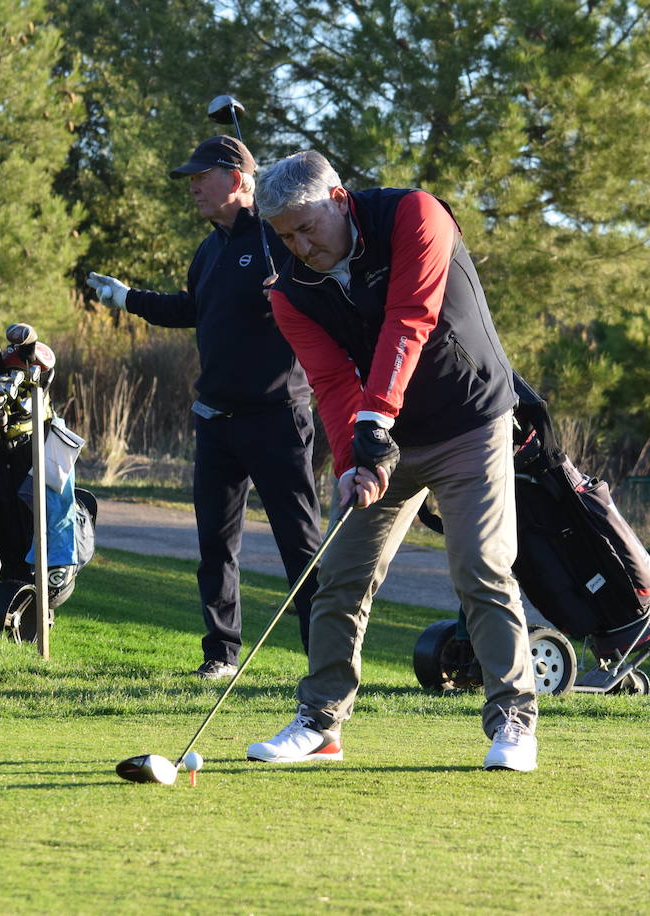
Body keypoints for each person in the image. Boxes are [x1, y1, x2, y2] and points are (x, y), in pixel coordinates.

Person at [244, 150, 538, 771]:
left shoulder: (417, 216)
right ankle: (322, 724)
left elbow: (411, 319)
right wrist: (355, 457)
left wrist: (375, 422)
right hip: (386, 437)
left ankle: (513, 720)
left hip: (470, 421)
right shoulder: (289, 290)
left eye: (307, 227)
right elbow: (328, 380)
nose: (298, 246)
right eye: (285, 235)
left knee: (481, 567)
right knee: (340, 573)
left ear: (339, 199)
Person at [86, 136, 321, 680]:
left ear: (238, 180)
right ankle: (221, 654)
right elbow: (192, 308)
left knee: (300, 545)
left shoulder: (279, 238)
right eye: (190, 178)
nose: (192, 186)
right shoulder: (211, 248)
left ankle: (326, 659)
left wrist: (288, 290)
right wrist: (126, 298)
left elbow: (321, 292)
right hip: (216, 421)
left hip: (277, 417)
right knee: (215, 548)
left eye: (202, 176)